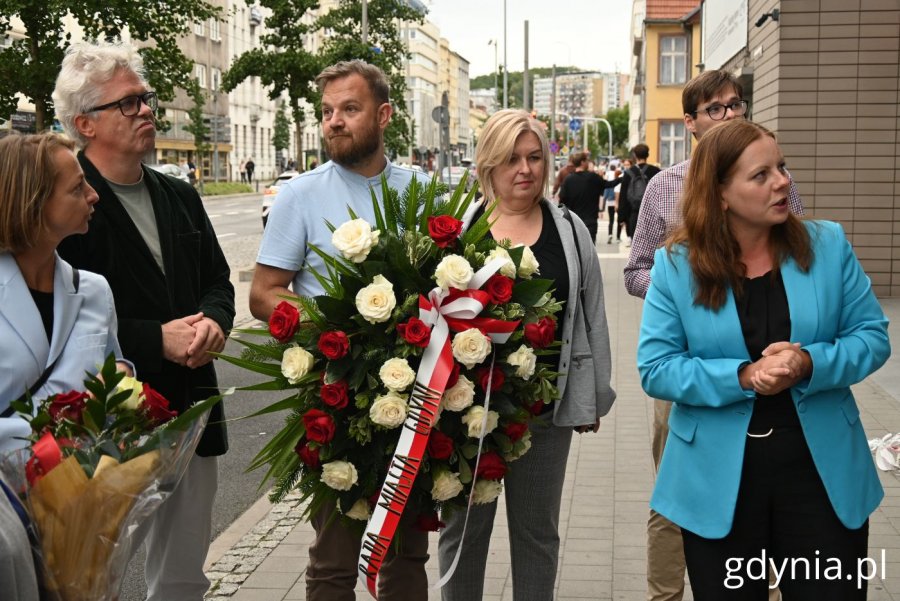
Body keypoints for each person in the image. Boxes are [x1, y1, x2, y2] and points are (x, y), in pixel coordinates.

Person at [637, 119, 890, 599]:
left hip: (820, 475)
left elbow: (872, 337)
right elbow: (657, 367)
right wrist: (743, 375)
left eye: (782, 167)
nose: (782, 182)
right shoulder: (675, 265)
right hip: (717, 481)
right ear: (720, 195)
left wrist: (809, 363)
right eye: (761, 175)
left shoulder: (828, 245)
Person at [53, 41, 234, 601]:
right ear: (85, 123)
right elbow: (59, 315)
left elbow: (218, 282)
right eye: (128, 103)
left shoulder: (180, 195)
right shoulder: (64, 201)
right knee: (89, 579)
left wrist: (215, 323)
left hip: (192, 408)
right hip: (106, 422)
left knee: (182, 577)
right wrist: (155, 340)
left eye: (146, 99)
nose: (147, 111)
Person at [249, 59, 427, 601]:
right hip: (334, 397)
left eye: (349, 109)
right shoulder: (300, 195)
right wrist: (336, 328)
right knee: (334, 559)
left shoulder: (420, 189)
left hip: (414, 396)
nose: (334, 122)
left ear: (384, 114)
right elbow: (262, 293)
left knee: (407, 556)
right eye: (327, 112)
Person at [624, 69, 805, 601]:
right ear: (692, 122)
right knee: (676, 495)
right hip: (689, 366)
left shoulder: (774, 180)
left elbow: (798, 262)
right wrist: (686, 288)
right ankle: (667, 594)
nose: (730, 115)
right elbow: (636, 271)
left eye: (735, 105)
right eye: (716, 109)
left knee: (766, 489)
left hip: (768, 362)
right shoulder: (665, 186)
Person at [438, 109, 616, 601]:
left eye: (535, 157)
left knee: (538, 536)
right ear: (488, 166)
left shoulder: (570, 231)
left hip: (543, 413)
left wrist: (592, 396)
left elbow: (592, 314)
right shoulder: (460, 231)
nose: (525, 169)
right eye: (512, 158)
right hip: (465, 414)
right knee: (462, 535)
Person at [0, 132, 134, 601]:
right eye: (77, 188)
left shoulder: (94, 290)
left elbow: (112, 379)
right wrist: (42, 448)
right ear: (33, 201)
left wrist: (122, 390)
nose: (93, 194)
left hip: (81, 513)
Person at [558, 151, 620, 245]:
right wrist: (622, 178)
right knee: (590, 251)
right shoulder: (593, 177)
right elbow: (609, 184)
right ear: (582, 162)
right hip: (590, 221)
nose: (588, 162)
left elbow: (562, 201)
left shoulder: (568, 180)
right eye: (586, 160)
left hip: (573, 222)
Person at [618, 144, 661, 248]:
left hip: (634, 213)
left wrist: (622, 217)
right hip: (652, 214)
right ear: (648, 155)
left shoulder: (628, 173)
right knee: (652, 245)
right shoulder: (656, 171)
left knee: (636, 245)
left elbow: (623, 196)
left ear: (635, 155)